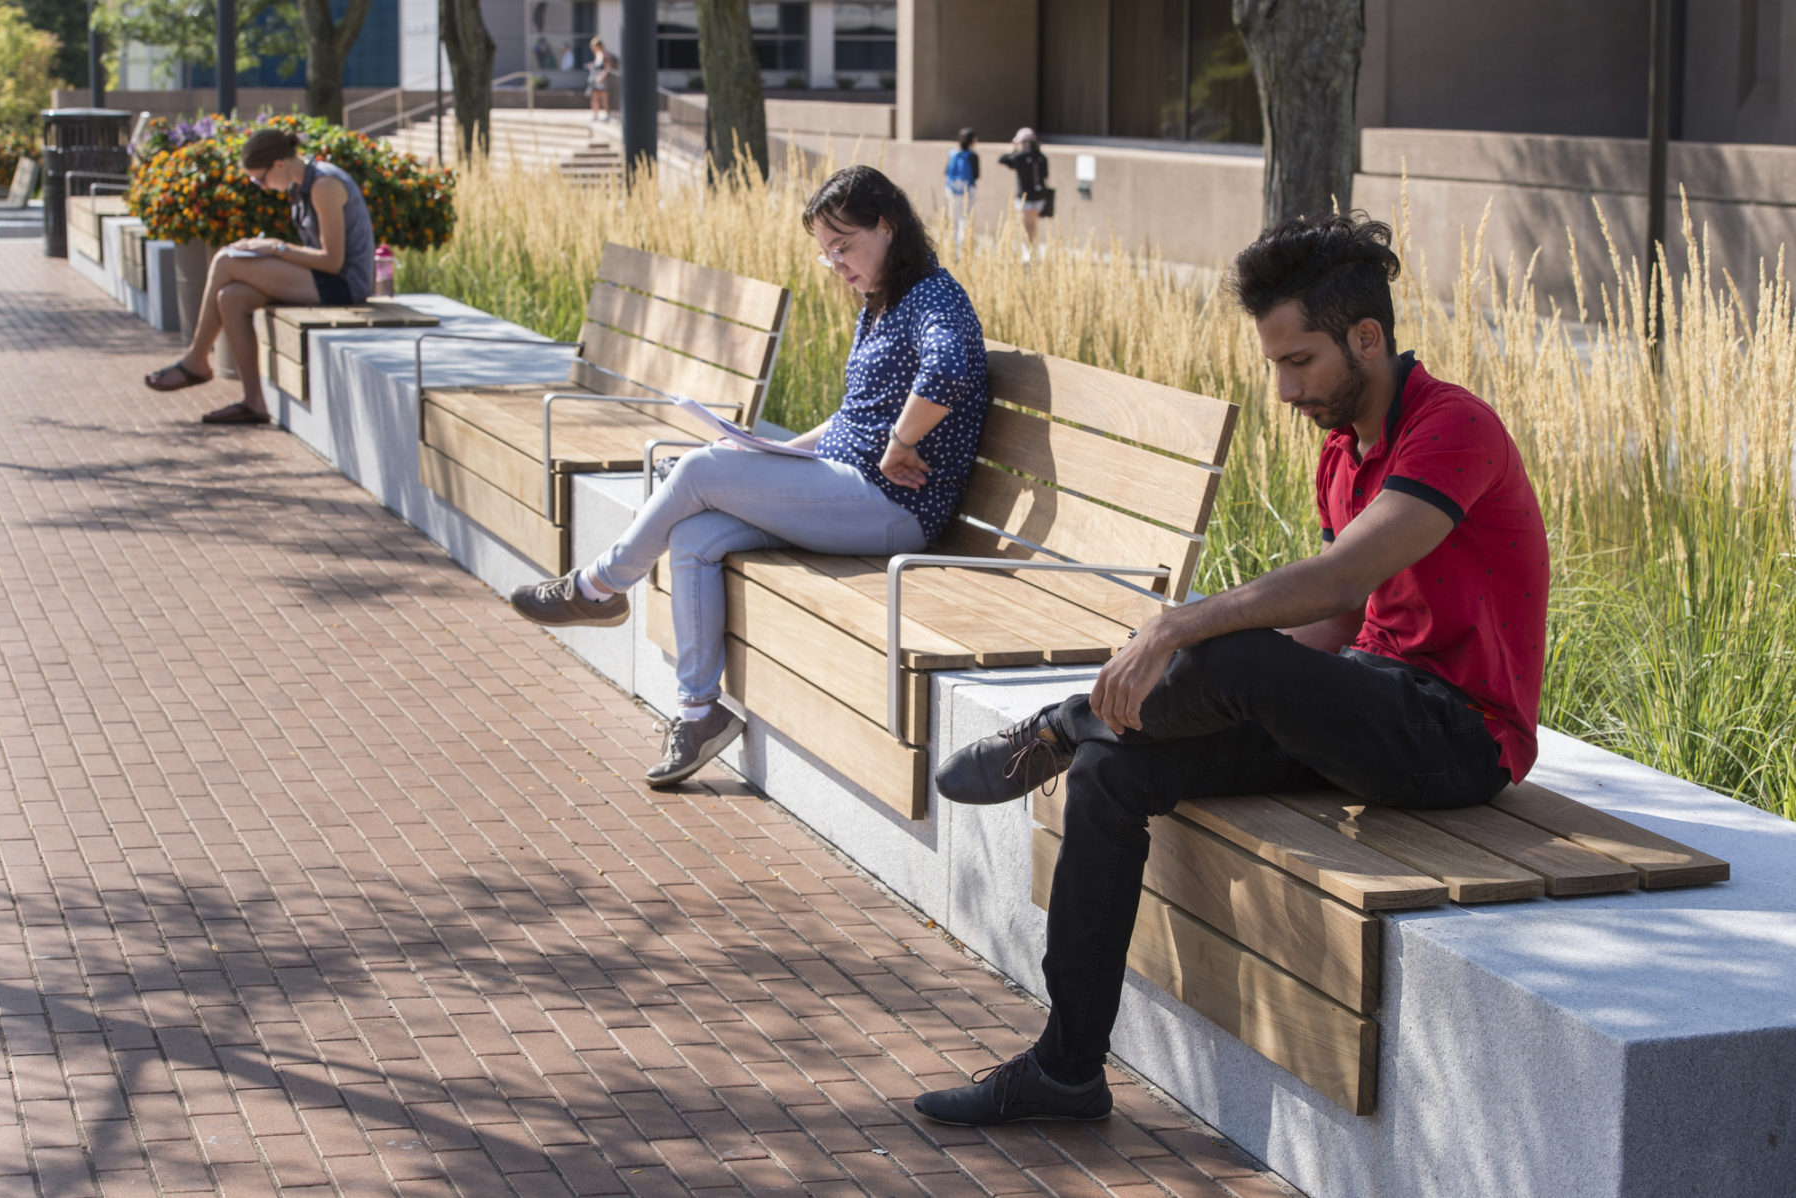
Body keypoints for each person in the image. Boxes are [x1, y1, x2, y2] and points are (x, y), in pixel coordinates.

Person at [917, 213, 1550, 1126]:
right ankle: (1066, 1070)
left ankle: (1061, 722)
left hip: (1457, 737)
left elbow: (1345, 575)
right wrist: (1212, 693)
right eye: (1276, 366)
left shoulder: (1455, 428)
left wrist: (1184, 632)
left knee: (1231, 650)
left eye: (1300, 362)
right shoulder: (1342, 453)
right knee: (1111, 771)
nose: (1286, 389)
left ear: (1366, 338)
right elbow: (1334, 630)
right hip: (1365, 707)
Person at [508, 166, 990, 788]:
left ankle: (598, 587)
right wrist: (775, 451)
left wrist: (903, 441)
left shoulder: (934, 297)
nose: (837, 265)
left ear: (887, 226)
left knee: (698, 467)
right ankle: (697, 713)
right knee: (694, 537)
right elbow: (855, 416)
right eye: (826, 255)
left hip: (894, 507)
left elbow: (951, 371)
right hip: (845, 485)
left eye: (843, 246)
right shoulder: (882, 303)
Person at [143, 126, 376, 425]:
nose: (262, 187)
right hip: (323, 279)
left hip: (344, 285)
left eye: (259, 179)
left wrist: (275, 248)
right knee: (231, 298)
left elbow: (333, 261)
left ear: (279, 164)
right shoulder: (302, 183)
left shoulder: (324, 185)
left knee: (226, 260)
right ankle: (254, 402)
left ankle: (196, 360)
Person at [998, 128, 1049, 256]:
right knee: (1033, 224)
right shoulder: (1041, 157)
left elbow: (1003, 159)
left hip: (1025, 197)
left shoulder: (1020, 157)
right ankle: (1033, 249)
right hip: (1039, 196)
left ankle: (1028, 253)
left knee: (1025, 226)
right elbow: (1045, 175)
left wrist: (1014, 148)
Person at [944, 127, 979, 249]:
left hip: (951, 189)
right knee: (965, 217)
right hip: (967, 190)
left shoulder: (952, 153)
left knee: (953, 217)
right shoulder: (972, 156)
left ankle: (951, 245)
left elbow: (946, 172)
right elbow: (976, 175)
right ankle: (963, 246)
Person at [587, 37, 616, 124]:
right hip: (595, 79)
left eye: (594, 46)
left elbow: (607, 68)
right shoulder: (597, 55)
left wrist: (601, 77)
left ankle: (607, 114)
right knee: (594, 97)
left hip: (602, 80)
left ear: (599, 46)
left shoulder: (605, 55)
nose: (592, 48)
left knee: (603, 97)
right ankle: (595, 115)